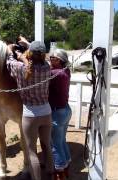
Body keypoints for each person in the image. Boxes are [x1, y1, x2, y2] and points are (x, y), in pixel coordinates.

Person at [6, 39, 54, 180]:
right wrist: (27, 46)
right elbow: (36, 58)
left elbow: (9, 62)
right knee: (46, 146)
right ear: (43, 54)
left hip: (30, 115)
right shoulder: (47, 67)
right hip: (46, 112)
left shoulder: (21, 69)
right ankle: (51, 175)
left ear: (29, 54)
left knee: (32, 151)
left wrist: (11, 50)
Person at [49, 48, 72, 180]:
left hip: (57, 112)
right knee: (61, 141)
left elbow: (38, 71)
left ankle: (59, 171)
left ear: (60, 60)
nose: (50, 59)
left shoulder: (54, 73)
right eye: (51, 57)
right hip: (65, 110)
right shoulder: (65, 71)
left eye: (54, 58)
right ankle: (67, 164)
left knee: (55, 145)